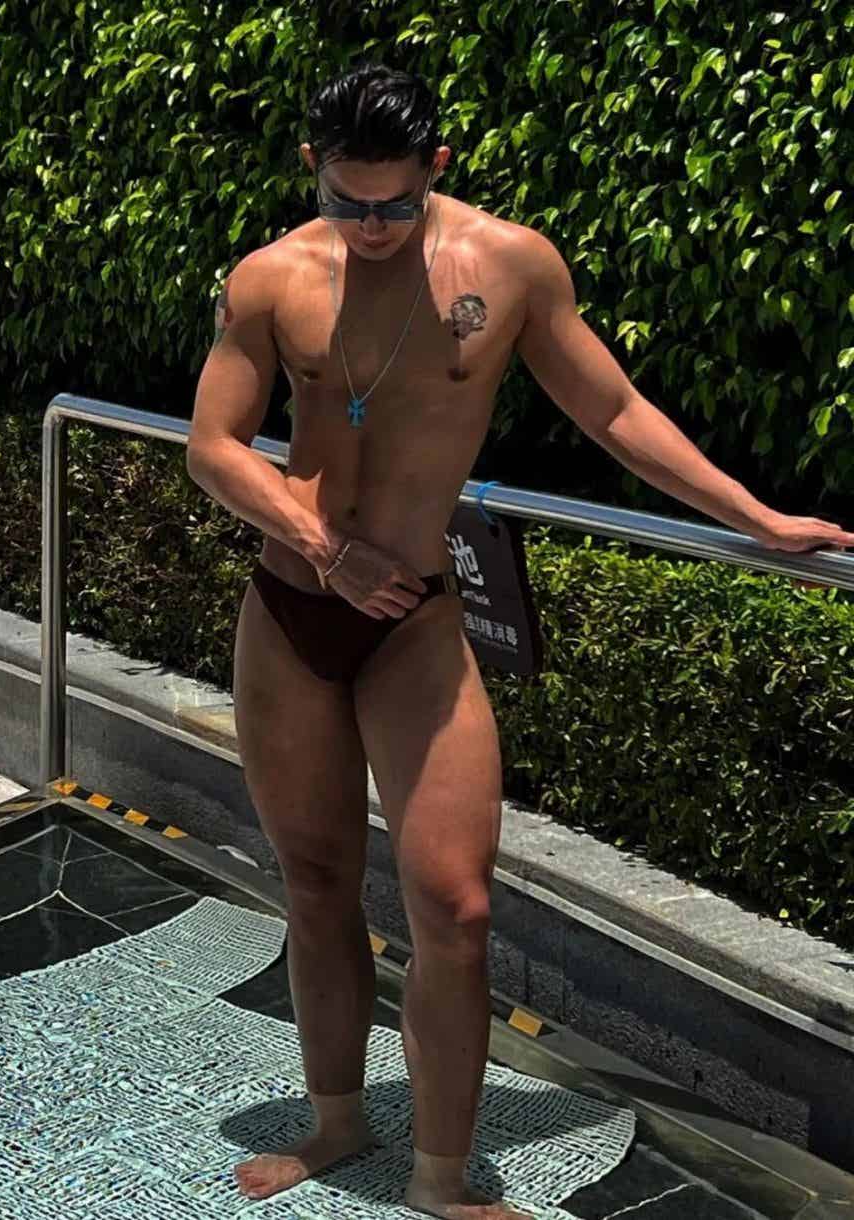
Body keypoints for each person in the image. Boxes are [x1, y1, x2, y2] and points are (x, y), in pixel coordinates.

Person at [185, 61, 854, 1220]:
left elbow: (614, 411)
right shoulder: (271, 277)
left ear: (437, 167)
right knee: (317, 882)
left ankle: (443, 1178)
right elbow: (212, 446)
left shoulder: (508, 265)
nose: (372, 225)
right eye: (348, 200)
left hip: (415, 620)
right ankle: (336, 1121)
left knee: (455, 908)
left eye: (396, 201)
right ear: (313, 171)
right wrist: (325, 545)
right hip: (291, 610)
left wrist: (755, 515)